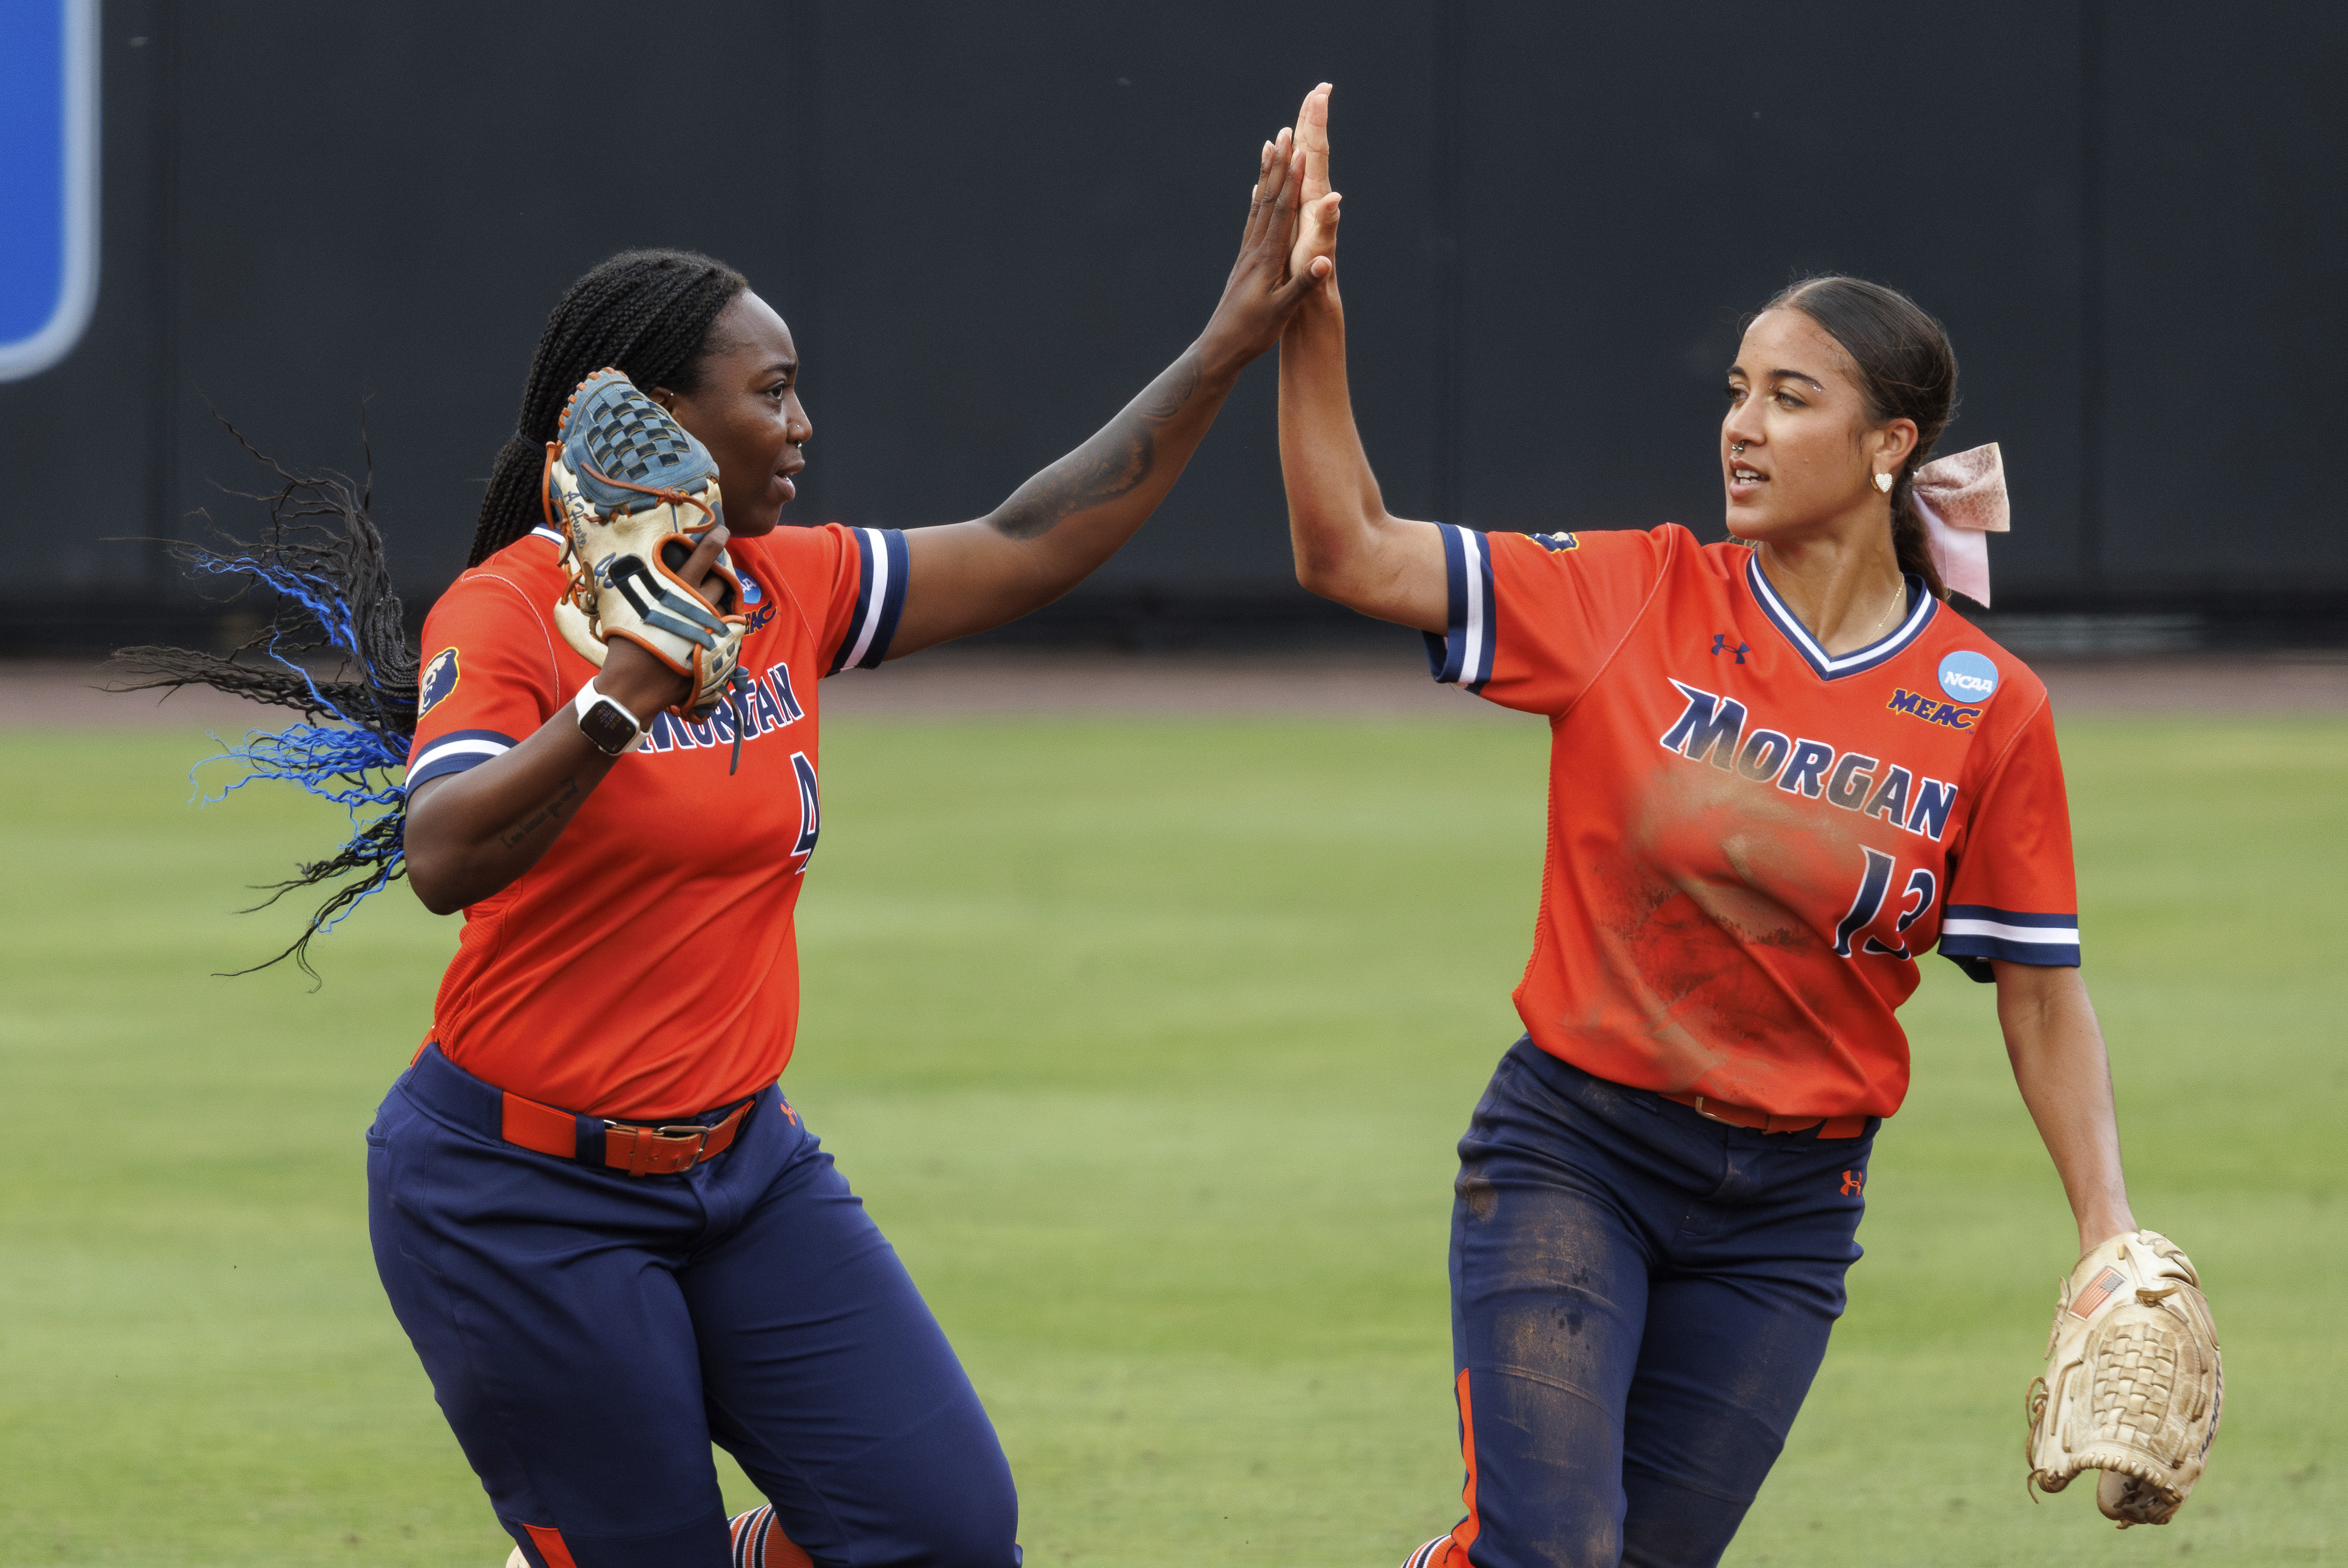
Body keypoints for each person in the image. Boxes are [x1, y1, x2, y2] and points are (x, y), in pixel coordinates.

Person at [141, 125, 1331, 1568]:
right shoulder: (511, 615)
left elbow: (1032, 538)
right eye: (772, 394)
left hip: (741, 1168)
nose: (802, 424)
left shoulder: (789, 587)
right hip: (519, 1200)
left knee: (945, 1535)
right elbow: (446, 853)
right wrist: (628, 686)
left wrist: (1226, 343)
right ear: (652, 422)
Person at [1271, 86, 2142, 1568]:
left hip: (1791, 1214)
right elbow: (1350, 550)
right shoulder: (1635, 598)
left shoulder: (1987, 704)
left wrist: (2107, 1236)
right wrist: (1313, 315)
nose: (1741, 425)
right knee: (1556, 1551)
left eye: (1790, 397)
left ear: (1890, 445)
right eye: (1737, 389)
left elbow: (2042, 998)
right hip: (1577, 1153)